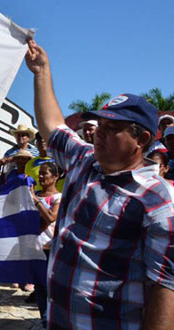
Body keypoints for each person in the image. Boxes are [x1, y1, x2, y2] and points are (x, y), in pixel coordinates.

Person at [25, 39, 174, 329]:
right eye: (100, 127)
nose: (99, 135)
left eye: (112, 129)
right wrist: (41, 72)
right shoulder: (85, 161)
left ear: (141, 140)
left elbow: (164, 288)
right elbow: (54, 127)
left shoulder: (159, 202)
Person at [28, 161, 62, 327]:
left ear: (55, 177)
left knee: (50, 289)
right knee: (40, 288)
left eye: (44, 173)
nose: (40, 177)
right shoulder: (33, 195)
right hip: (35, 248)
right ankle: (44, 321)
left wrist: (35, 200)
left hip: (50, 248)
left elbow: (50, 217)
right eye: (39, 173)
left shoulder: (58, 197)